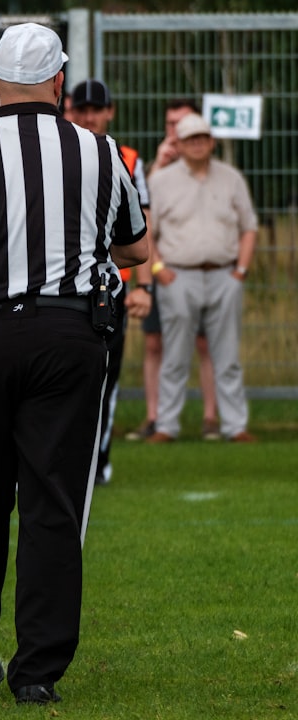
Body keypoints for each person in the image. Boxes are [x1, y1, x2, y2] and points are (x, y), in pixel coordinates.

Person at [0, 23, 147, 704]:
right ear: (60, 82)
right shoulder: (102, 153)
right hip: (68, 338)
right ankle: (37, 671)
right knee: (53, 505)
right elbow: (135, 246)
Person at [145, 113, 257, 444]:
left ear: (212, 142)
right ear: (178, 143)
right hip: (177, 275)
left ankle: (235, 426)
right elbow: (147, 232)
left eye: (202, 138)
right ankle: (166, 425)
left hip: (225, 275)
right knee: (175, 354)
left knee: (227, 355)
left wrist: (241, 271)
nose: (197, 144)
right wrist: (158, 270)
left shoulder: (231, 178)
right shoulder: (161, 181)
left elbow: (248, 226)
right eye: (190, 139)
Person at [67, 79, 154, 485]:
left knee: (106, 375)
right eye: (80, 109)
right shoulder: (57, 151)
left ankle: (97, 460)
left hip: (111, 289)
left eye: (94, 109)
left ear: (109, 111)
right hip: (64, 285)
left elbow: (143, 229)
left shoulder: (130, 159)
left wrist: (142, 285)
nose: (87, 117)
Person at [131, 97, 220, 440]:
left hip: (196, 270)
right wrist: (161, 165)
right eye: (170, 124)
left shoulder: (207, 163)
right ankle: (156, 417)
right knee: (154, 343)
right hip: (161, 271)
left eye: (181, 123)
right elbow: (143, 215)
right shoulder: (157, 165)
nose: (175, 130)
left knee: (205, 344)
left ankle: (211, 417)